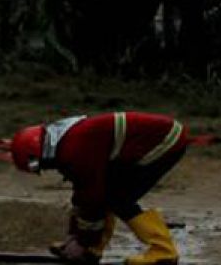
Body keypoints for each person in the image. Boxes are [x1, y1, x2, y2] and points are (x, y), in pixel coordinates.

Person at [10, 112, 189, 265]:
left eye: (37, 167)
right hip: (149, 140)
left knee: (119, 198)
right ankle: (92, 250)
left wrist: (82, 241)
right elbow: (82, 194)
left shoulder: (73, 151)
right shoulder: (65, 143)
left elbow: (92, 198)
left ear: (36, 155)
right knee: (106, 193)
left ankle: (164, 253)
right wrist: (75, 236)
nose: (44, 169)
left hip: (165, 141)